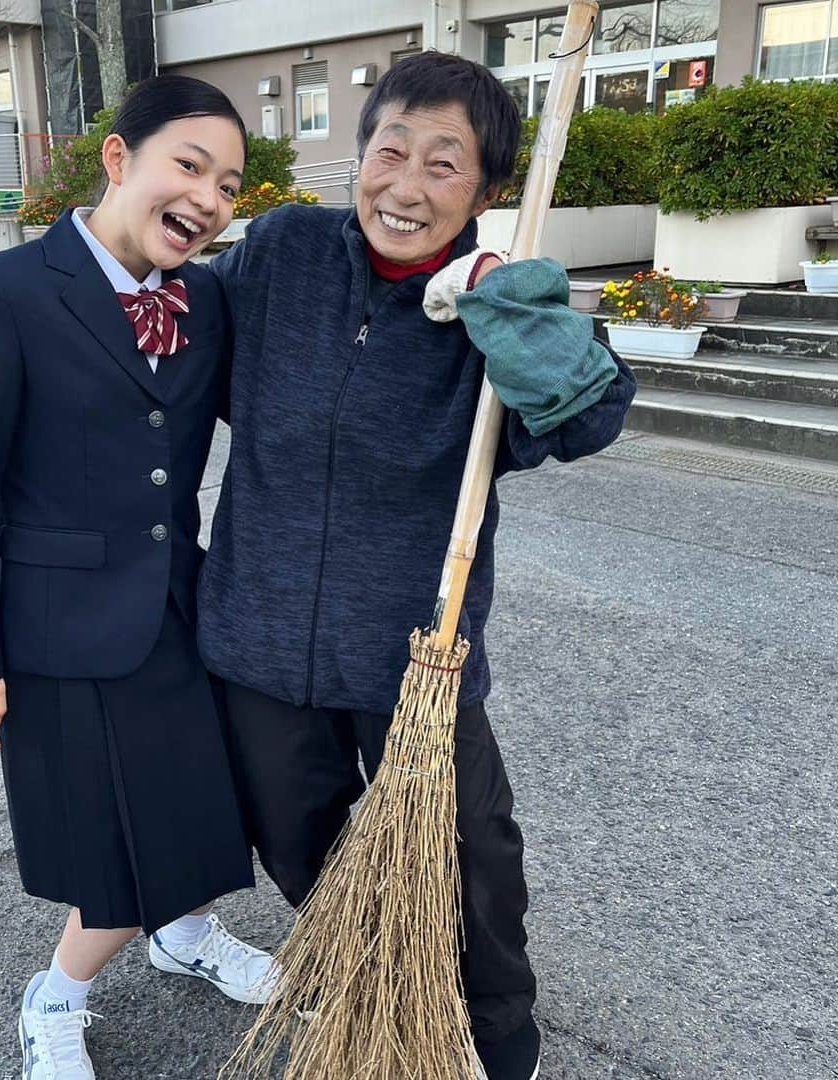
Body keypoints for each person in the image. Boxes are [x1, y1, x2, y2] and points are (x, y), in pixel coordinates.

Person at [198, 53, 636, 1080]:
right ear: (357, 157)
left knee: (474, 858)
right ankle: (376, 982)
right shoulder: (283, 254)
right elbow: (166, 345)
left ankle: (492, 1046)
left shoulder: (497, 305)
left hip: (414, 651)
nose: (406, 184)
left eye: (446, 164)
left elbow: (590, 415)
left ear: (486, 192)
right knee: (300, 842)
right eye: (389, 149)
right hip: (258, 635)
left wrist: (517, 317)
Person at [0, 76, 275, 1080]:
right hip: (58, 623)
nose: (209, 197)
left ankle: (187, 937)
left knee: (204, 805)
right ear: (119, 159)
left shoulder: (205, 296)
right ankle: (57, 998)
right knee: (112, 843)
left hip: (178, 605)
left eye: (229, 184)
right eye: (190, 166)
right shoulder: (5, 294)